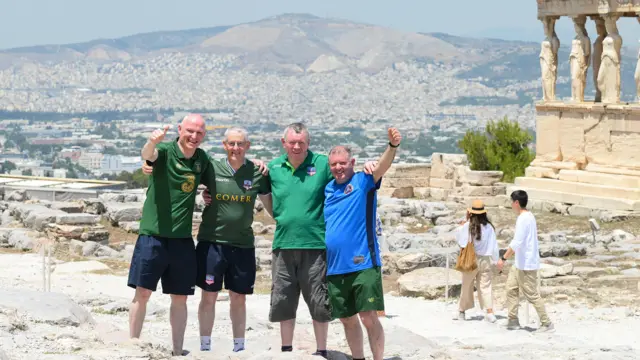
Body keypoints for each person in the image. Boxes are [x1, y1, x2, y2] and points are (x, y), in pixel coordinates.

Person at [141, 127, 270, 353]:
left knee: (239, 297)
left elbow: (270, 200)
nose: (236, 148)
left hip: (243, 245)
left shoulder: (257, 171)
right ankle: (205, 347)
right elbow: (186, 174)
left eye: (240, 144)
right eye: (231, 143)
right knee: (208, 296)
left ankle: (239, 347)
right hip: (212, 242)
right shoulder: (211, 166)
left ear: (247, 146)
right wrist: (149, 165)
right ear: (224, 145)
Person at [260, 122, 377, 358]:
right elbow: (263, 194)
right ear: (283, 143)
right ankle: (286, 350)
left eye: (301, 142)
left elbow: (344, 173)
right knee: (283, 298)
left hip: (316, 244)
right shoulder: (272, 167)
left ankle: (321, 351)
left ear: (308, 143)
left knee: (319, 300)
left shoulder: (322, 164)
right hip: (283, 243)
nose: (296, 146)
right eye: (292, 142)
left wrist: (369, 167)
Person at [128, 114, 217, 356]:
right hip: (152, 235)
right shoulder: (166, 150)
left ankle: (178, 350)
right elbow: (149, 156)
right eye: (190, 131)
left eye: (199, 133)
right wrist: (152, 141)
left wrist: (206, 194)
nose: (194, 136)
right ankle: (132, 344)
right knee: (143, 292)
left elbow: (217, 181)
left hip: (182, 239)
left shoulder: (202, 159)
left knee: (180, 297)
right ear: (180, 129)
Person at [322, 127, 402, 360]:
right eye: (334, 164)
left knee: (368, 316)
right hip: (335, 266)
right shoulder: (327, 189)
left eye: (342, 163)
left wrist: (392, 146)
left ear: (352, 162)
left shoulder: (363, 180)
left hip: (363, 262)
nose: (338, 167)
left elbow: (382, 167)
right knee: (347, 319)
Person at [497, 190, 555, 332]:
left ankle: (547, 323)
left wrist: (503, 258)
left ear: (516, 202)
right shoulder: (527, 216)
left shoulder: (524, 218)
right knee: (511, 288)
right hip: (519, 263)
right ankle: (513, 320)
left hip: (527, 264)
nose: (511, 205)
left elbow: (517, 242)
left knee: (532, 294)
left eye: (512, 202)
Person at [453, 199, 499, 323]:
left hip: (471, 260)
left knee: (466, 286)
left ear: (471, 213)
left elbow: (460, 239)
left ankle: (462, 311)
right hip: (485, 260)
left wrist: (465, 219)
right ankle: (489, 312)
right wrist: (497, 260)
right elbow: (494, 246)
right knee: (486, 286)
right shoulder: (489, 227)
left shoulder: (468, 226)